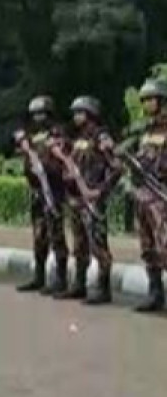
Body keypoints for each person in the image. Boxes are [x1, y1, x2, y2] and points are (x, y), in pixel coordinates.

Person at [54, 96, 122, 304]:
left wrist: (101, 191)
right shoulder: (78, 139)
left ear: (91, 113)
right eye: (75, 113)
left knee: (98, 245)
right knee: (79, 244)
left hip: (92, 200)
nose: (76, 117)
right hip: (76, 199)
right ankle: (79, 284)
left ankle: (104, 288)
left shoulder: (100, 137)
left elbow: (116, 167)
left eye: (80, 112)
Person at [14, 96, 70, 295]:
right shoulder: (32, 136)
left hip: (53, 191)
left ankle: (61, 279)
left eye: (42, 114)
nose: (38, 118)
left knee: (56, 235)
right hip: (37, 192)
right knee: (39, 236)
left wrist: (46, 168)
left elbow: (60, 161)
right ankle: (39, 277)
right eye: (35, 114)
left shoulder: (57, 133)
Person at [130, 79, 167, 313]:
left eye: (150, 99)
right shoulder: (144, 132)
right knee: (148, 247)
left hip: (162, 196)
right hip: (144, 197)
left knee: (165, 246)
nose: (146, 104)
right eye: (144, 100)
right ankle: (155, 293)